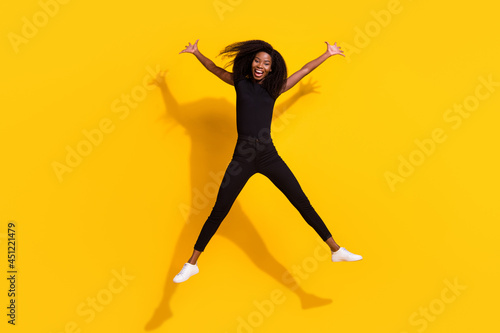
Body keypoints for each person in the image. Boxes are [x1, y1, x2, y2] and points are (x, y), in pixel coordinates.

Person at [173, 39, 362, 283]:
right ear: (251, 62)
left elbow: (303, 70)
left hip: (267, 155)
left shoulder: (275, 89)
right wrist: (197, 52)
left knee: (301, 201)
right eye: (257, 60)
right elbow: (214, 69)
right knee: (219, 211)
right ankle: (191, 264)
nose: (260, 65)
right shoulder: (240, 83)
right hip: (242, 158)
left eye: (266, 63)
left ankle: (337, 250)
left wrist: (327, 54)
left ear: (272, 68)